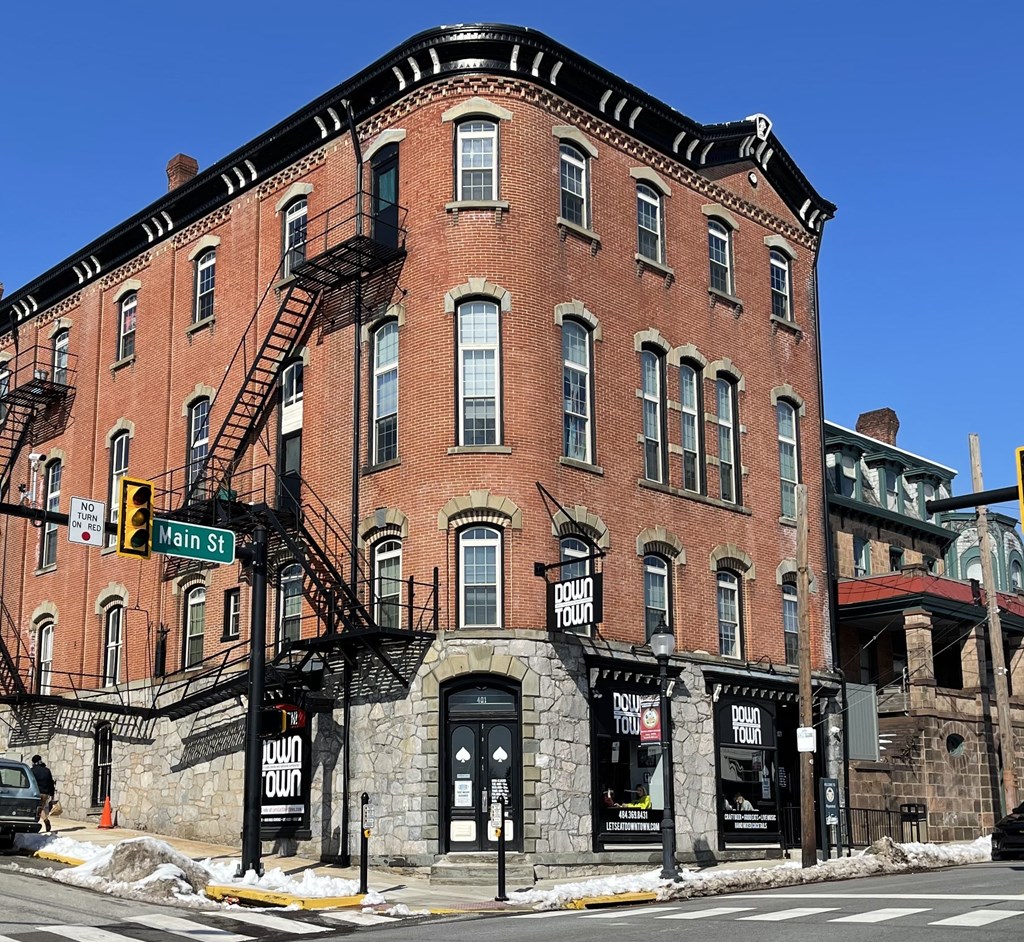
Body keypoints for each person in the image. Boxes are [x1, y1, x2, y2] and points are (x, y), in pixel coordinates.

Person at [31, 755, 56, 833]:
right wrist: (52, 793)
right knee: (40, 808)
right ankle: (44, 821)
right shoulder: (47, 770)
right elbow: (51, 782)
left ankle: (39, 822)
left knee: (36, 808)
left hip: (35, 792)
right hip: (45, 793)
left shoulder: (32, 770)